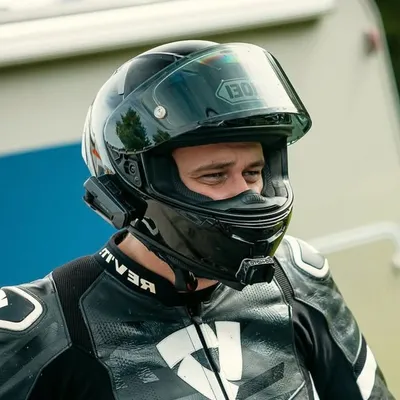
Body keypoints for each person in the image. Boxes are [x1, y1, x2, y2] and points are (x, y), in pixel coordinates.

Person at [0, 40, 394, 400]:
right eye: (215, 176)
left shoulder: (295, 278)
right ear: (135, 186)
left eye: (254, 172)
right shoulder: (46, 324)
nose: (248, 194)